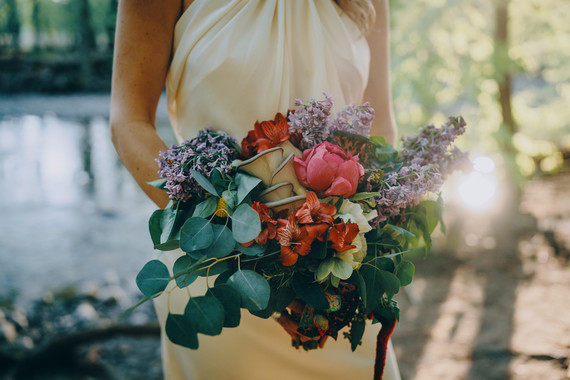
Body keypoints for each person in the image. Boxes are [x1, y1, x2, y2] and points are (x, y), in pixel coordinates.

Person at [110, 1, 401, 379]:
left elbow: (381, 130)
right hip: (216, 271)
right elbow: (128, 122)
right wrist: (248, 254)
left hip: (336, 283)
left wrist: (360, 254)